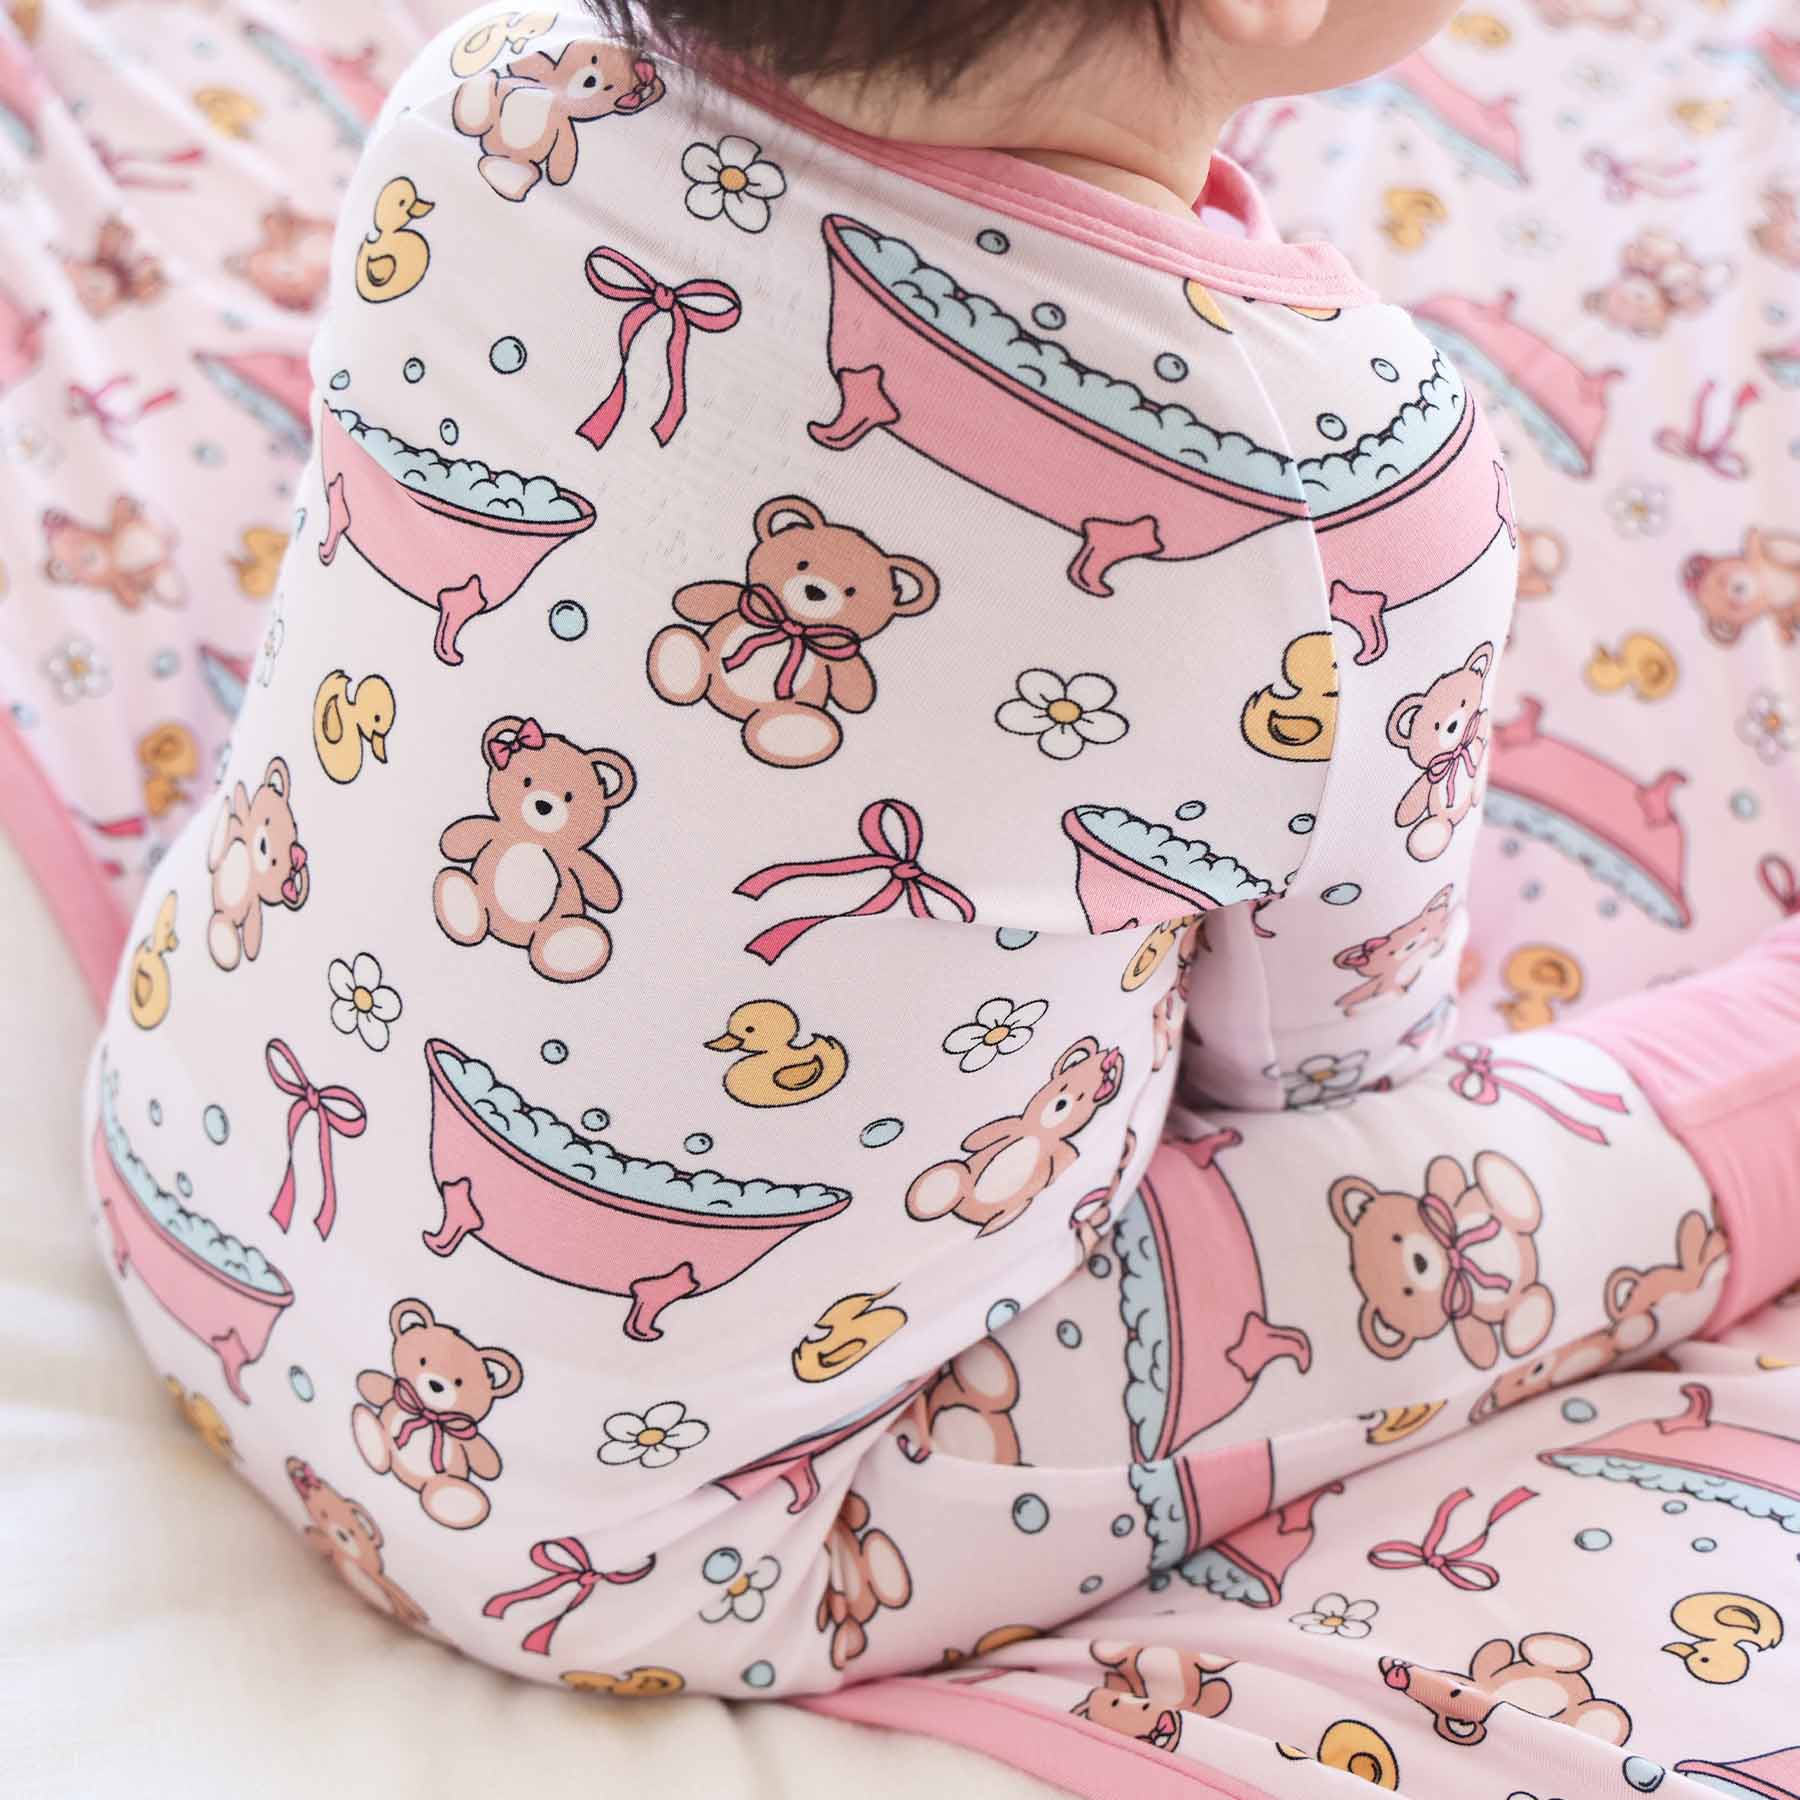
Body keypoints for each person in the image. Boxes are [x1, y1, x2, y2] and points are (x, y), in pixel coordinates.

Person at [6, 0, 1796, 1788]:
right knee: (1461, 1213)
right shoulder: (1345, 486)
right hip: (673, 1542)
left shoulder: (489, 97)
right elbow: (1322, 1067)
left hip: (188, 1199)